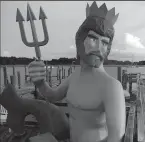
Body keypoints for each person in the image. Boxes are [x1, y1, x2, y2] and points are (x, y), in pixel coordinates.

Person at [28, 1, 125, 142]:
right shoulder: (74, 77)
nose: (99, 47)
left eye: (104, 42)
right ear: (79, 40)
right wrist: (40, 82)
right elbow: (52, 96)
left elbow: (116, 136)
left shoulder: (111, 86)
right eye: (93, 38)